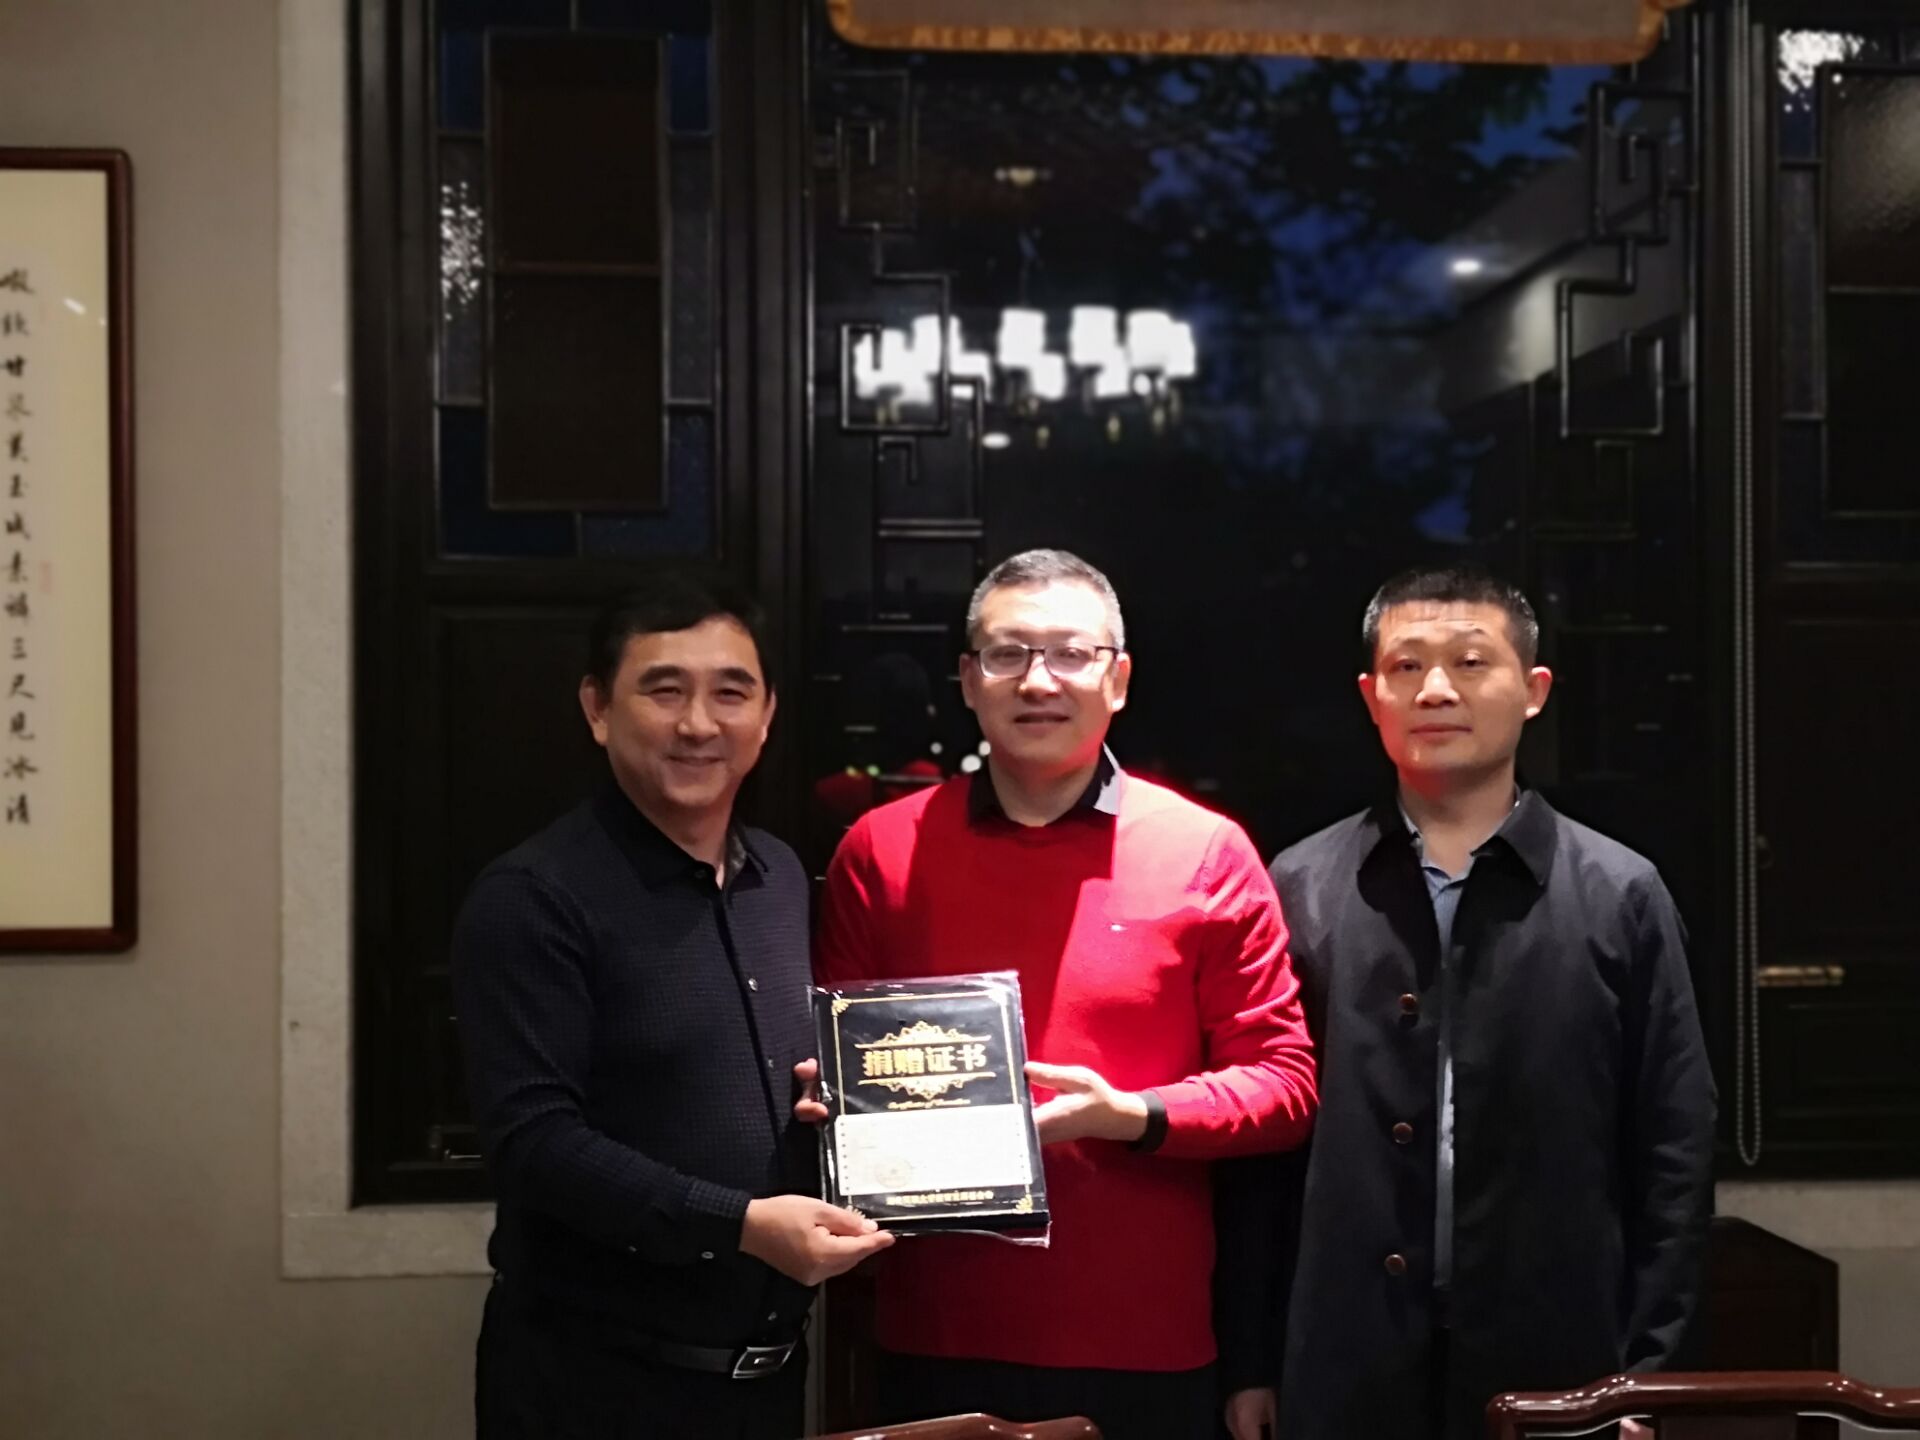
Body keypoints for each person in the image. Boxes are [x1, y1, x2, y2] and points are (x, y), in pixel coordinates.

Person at [810, 547, 1318, 1440]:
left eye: (1070, 654)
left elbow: (1286, 1085)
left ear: (1117, 679)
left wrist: (1132, 1115)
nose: (1037, 680)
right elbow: (835, 1072)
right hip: (935, 1326)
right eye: (1007, 653)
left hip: (1146, 1338)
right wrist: (828, 1101)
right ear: (969, 680)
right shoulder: (881, 852)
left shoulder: (1204, 850)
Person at [1217, 566, 1714, 1440]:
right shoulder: (1300, 885)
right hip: (1345, 1349)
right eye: (1406, 667)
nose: (1436, 690)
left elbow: (1675, 1144)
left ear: (1534, 689)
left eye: (1471, 662)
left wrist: (1650, 1376)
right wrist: (1252, 1360)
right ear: (1371, 697)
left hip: (1561, 1354)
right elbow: (1262, 1153)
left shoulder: (1620, 892)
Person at [451, 572, 893, 1440]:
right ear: (598, 709)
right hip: (593, 1389)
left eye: (731, 692)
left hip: (766, 1386)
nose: (698, 724)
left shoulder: (780, 879)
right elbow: (532, 1144)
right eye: (664, 690)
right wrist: (743, 1227)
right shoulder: (533, 898)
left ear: (766, 715)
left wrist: (836, 1112)